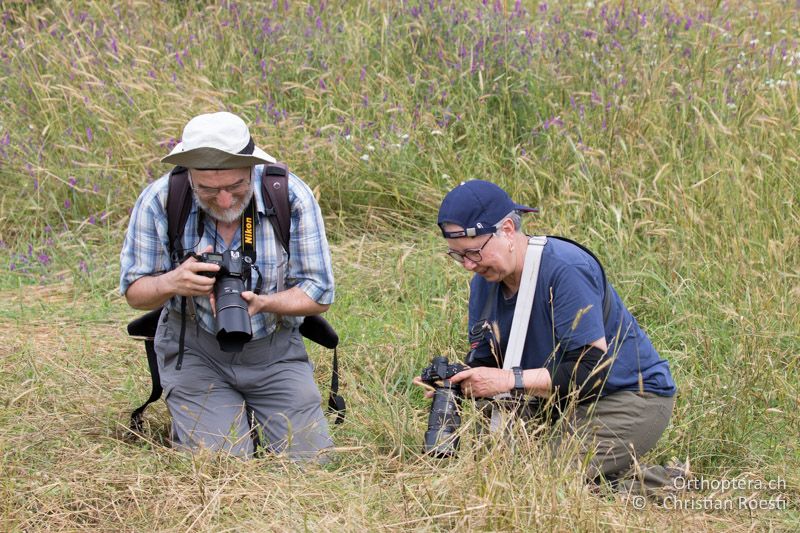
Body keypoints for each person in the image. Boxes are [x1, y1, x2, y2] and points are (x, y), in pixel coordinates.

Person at [428, 179, 678, 492]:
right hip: (554, 396)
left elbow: (591, 370)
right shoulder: (486, 278)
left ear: (507, 230)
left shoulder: (564, 267)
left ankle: (669, 483)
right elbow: (488, 358)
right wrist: (457, 382)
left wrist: (509, 380)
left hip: (625, 395)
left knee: (544, 482)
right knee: (495, 477)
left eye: (474, 252)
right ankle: (605, 477)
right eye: (457, 255)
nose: (467, 265)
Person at [120, 111, 335, 460]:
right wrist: (174, 281)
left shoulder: (289, 195)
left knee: (312, 464)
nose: (223, 200)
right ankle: (221, 416)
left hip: (274, 350)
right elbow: (134, 292)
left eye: (235, 187)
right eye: (207, 189)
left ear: (253, 169)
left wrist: (264, 303)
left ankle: (244, 411)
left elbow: (320, 292)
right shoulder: (161, 199)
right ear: (189, 176)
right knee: (223, 467)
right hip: (196, 350)